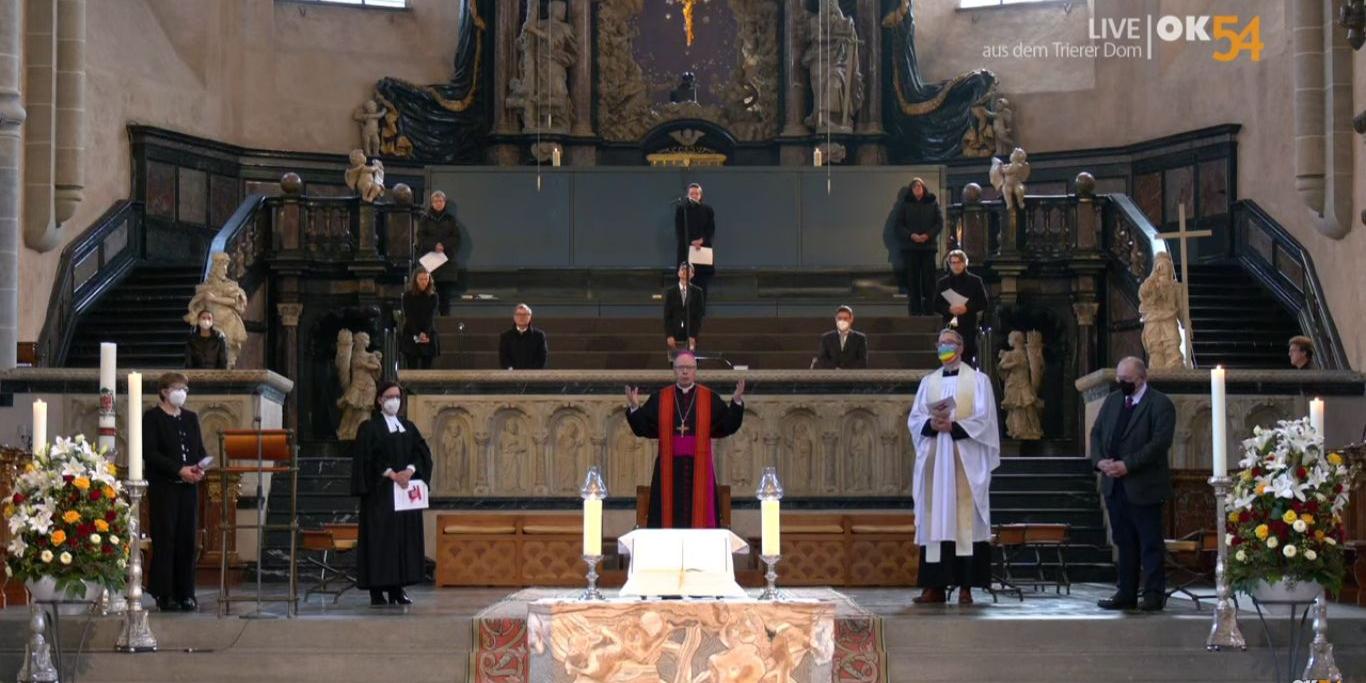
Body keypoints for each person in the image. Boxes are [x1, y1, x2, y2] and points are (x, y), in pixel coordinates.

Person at [907, 329, 1000, 605]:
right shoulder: (928, 382)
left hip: (964, 461)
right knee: (936, 520)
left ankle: (966, 587)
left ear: (961, 347)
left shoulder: (978, 381)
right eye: (941, 343)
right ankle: (934, 587)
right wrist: (931, 424)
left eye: (949, 343)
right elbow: (914, 419)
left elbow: (986, 420)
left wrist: (955, 426)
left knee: (965, 523)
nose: (944, 348)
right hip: (937, 461)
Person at [1089, 357, 1175, 612]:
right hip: (1114, 484)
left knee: (1149, 543)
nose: (1120, 383)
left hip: (1143, 485)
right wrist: (1100, 461)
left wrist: (1128, 464)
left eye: (1126, 380)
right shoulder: (1114, 400)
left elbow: (1159, 444)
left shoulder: (1160, 404)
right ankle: (1125, 591)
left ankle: (1153, 594)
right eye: (1119, 378)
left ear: (1141, 378)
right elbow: (1097, 432)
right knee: (1123, 542)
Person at [625, 351, 746, 528]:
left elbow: (726, 426)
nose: (685, 372)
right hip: (667, 469)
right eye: (680, 367)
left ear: (695, 370)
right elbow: (644, 428)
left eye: (689, 367)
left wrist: (736, 401)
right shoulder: (660, 398)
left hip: (700, 467)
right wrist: (635, 408)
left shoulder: (708, 397)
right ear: (674, 370)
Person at [351, 381, 433, 607]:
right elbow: (367, 457)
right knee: (381, 541)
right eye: (389, 396)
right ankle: (376, 590)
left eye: (397, 396)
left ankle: (398, 588)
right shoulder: (369, 428)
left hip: (404, 496)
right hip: (381, 495)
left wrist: (409, 470)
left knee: (402, 541)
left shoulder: (408, 426)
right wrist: (391, 473)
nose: (394, 401)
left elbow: (422, 453)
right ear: (379, 400)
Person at [142, 371, 208, 612]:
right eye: (178, 388)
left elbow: (199, 449)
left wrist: (199, 467)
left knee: (186, 540)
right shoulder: (152, 418)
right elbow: (151, 453)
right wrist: (179, 469)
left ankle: (186, 593)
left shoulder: (190, 418)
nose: (182, 393)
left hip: (188, 488)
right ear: (164, 391)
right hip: (164, 487)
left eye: (185, 389)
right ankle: (165, 593)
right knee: (166, 538)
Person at [933, 250, 989, 367]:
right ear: (949, 264)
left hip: (968, 326)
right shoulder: (943, 283)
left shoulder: (975, 281)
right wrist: (948, 309)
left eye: (959, 262)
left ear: (964, 263)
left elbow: (983, 303)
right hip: (949, 326)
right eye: (953, 263)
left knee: (966, 360)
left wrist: (967, 308)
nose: (956, 266)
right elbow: (936, 304)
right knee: (947, 359)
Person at [897, 178, 943, 315]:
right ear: (911, 190)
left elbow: (939, 223)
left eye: (919, 186)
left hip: (928, 248)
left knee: (929, 281)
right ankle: (915, 311)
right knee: (913, 281)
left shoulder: (932, 203)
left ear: (924, 188)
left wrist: (927, 235)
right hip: (911, 249)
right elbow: (899, 226)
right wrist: (911, 235)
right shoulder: (905, 204)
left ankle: (929, 310)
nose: (917, 188)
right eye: (914, 187)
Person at [416, 190, 460, 315]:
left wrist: (443, 245)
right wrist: (434, 245)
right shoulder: (425, 219)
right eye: (436, 201)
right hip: (430, 263)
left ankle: (444, 320)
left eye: (440, 201)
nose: (438, 203)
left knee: (445, 296)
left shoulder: (450, 219)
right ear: (432, 203)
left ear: (444, 203)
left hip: (446, 262)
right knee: (428, 295)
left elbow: (456, 238)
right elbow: (421, 238)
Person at [675, 183, 716, 297]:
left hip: (702, 251)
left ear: (700, 195)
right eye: (691, 193)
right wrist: (691, 242)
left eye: (696, 193)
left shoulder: (708, 210)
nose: (694, 195)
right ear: (688, 195)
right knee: (685, 282)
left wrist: (701, 240)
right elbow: (680, 231)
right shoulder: (681, 210)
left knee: (702, 283)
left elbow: (711, 230)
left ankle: (701, 311)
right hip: (686, 251)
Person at [400, 270, 440, 369]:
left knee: (427, 368)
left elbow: (430, 316)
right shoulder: (408, 296)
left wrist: (425, 333)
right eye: (421, 279)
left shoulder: (433, 296)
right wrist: (417, 333)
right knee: (411, 366)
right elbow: (409, 316)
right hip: (411, 331)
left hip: (428, 331)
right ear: (415, 280)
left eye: (426, 279)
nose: (423, 282)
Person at [664, 262, 705, 353]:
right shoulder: (670, 292)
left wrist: (693, 336)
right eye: (682, 269)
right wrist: (669, 335)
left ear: (692, 274)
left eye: (688, 270)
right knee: (675, 364)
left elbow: (698, 316)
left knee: (691, 364)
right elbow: (667, 316)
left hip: (691, 335)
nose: (684, 271)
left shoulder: (698, 292)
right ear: (678, 273)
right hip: (674, 335)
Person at [499, 303, 549, 369]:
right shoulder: (506, 336)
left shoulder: (539, 336)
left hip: (534, 376)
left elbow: (542, 357)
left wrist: (531, 372)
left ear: (530, 317)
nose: (521, 317)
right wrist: (511, 370)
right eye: (519, 314)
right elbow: (503, 357)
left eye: (525, 315)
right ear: (514, 317)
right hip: (511, 376)